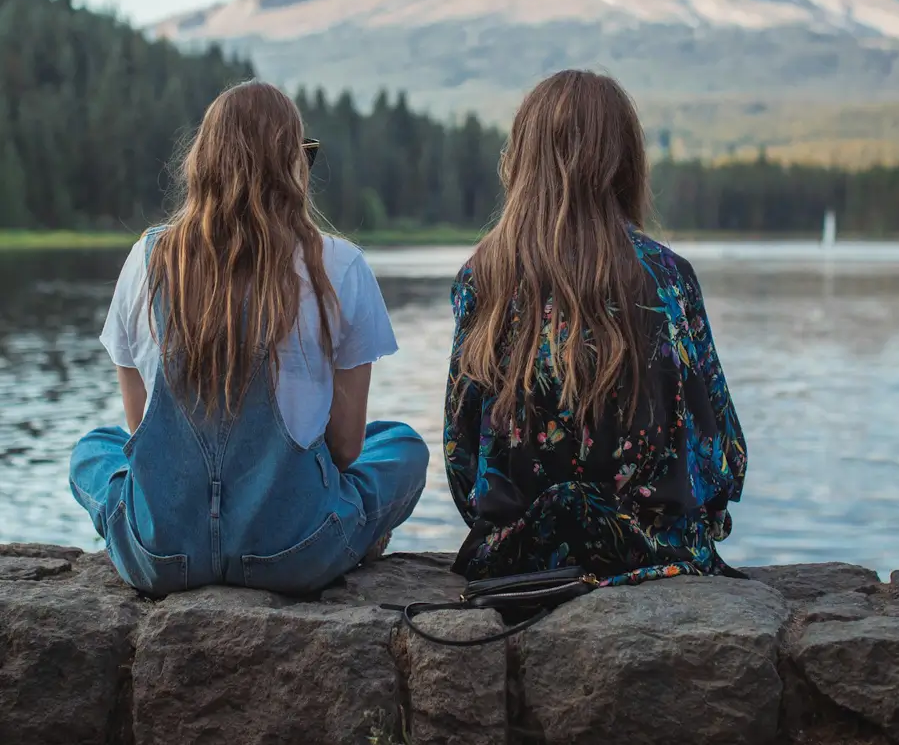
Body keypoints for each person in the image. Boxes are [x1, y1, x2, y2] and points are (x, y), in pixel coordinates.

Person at [69, 81, 428, 596]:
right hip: (295, 554)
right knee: (400, 446)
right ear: (293, 167)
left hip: (163, 556)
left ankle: (137, 532)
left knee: (94, 449)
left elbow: (140, 434)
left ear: (203, 162)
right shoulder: (340, 265)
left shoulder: (148, 259)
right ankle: (355, 532)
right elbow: (347, 448)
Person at [444, 70, 747, 586]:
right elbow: (723, 456)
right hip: (651, 552)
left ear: (522, 159)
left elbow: (461, 457)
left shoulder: (482, 276)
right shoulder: (668, 276)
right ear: (625, 163)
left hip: (520, 557)